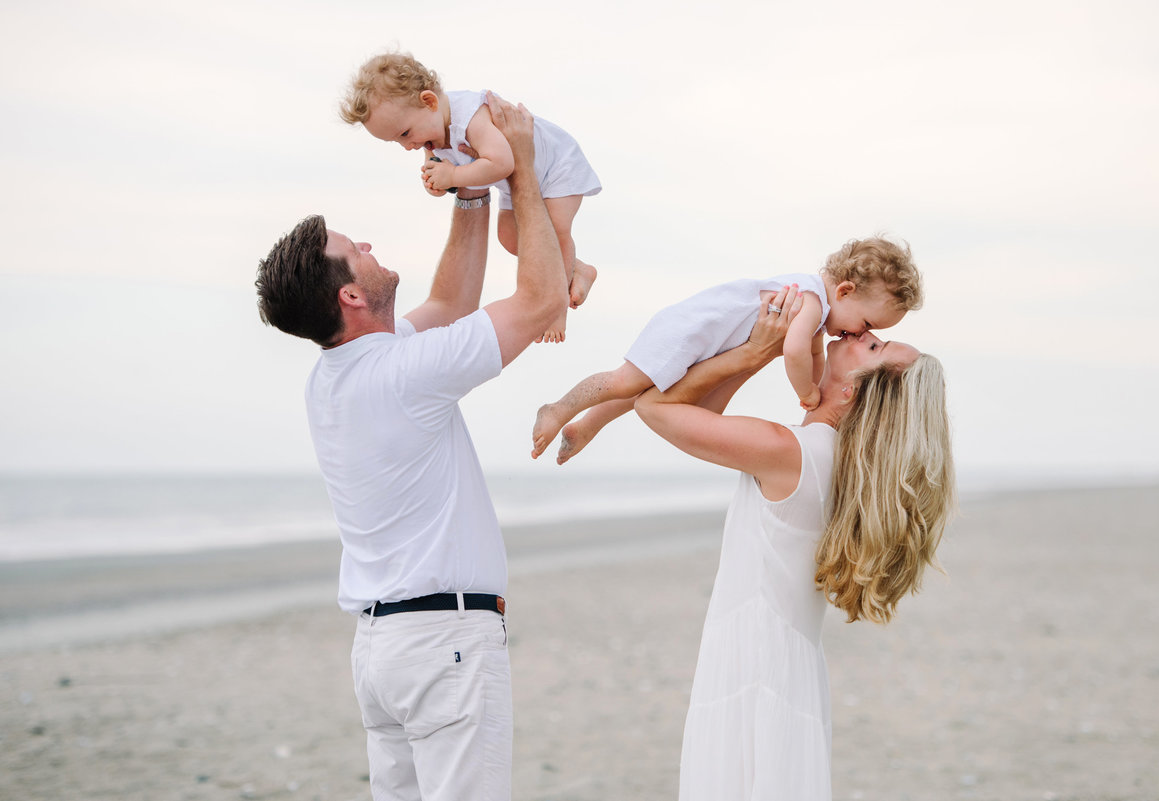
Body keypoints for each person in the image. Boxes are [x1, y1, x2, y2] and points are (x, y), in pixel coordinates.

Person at [254, 95, 564, 801]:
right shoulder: (401, 374)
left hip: (384, 652)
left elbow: (452, 307)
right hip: (442, 643)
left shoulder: (337, 376)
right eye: (352, 250)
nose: (366, 244)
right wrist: (519, 168)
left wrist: (471, 190)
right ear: (351, 301)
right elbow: (542, 302)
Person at [634, 285, 956, 800]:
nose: (867, 332)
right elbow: (693, 415)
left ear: (851, 391)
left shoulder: (792, 452)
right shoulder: (839, 470)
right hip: (787, 671)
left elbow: (655, 406)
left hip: (752, 668)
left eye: (874, 348)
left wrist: (756, 351)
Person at [532, 236, 922, 464]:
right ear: (846, 292)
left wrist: (817, 384)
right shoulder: (811, 302)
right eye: (867, 327)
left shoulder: (817, 312)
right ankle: (561, 407)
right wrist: (806, 392)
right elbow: (795, 352)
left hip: (708, 344)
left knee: (644, 389)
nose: (856, 334)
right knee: (626, 380)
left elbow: (814, 355)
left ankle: (587, 425)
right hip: (690, 331)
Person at [339, 50, 601, 344]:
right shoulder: (432, 131)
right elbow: (444, 171)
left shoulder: (470, 118)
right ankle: (578, 268)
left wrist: (453, 176)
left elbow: (502, 163)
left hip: (555, 166)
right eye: (397, 141)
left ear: (429, 101)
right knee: (509, 237)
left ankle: (556, 311)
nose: (407, 145)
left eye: (405, 133)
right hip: (517, 183)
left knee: (556, 232)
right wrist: (437, 183)